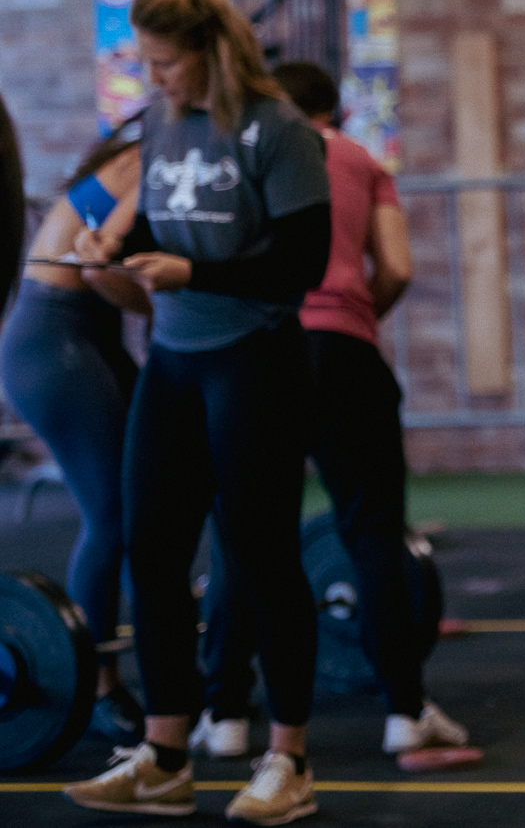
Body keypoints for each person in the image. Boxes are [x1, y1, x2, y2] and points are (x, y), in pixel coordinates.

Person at [64, 0, 330, 825]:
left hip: (254, 359)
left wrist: (193, 268)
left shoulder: (279, 131)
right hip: (175, 364)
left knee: (260, 556)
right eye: (146, 62)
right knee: (150, 548)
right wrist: (116, 249)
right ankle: (166, 754)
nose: (153, 78)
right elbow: (152, 220)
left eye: (166, 63)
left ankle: (287, 757)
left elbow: (303, 264)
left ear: (212, 53)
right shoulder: (165, 124)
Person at [193, 62, 470, 764]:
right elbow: (398, 267)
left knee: (244, 536)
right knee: (372, 532)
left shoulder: (244, 151)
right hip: (344, 357)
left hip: (258, 353)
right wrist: (351, 323)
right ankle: (405, 711)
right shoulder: (360, 160)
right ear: (336, 114)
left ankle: (225, 716)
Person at [0, 122, 150, 742]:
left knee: (168, 491)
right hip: (53, 340)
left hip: (88, 335)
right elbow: (97, 267)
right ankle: (97, 685)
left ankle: (207, 658)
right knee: (112, 514)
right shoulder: (148, 158)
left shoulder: (139, 157)